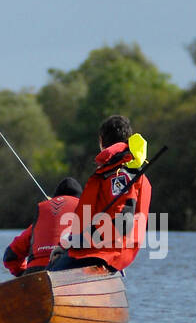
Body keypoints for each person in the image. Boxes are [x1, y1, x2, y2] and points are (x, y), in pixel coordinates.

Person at [49, 115, 151, 273]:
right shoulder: (133, 174)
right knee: (57, 264)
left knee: (47, 275)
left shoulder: (118, 173)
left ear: (101, 141)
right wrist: (66, 245)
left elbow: (123, 221)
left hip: (101, 252)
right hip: (106, 252)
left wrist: (82, 240)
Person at [3, 177, 82, 277]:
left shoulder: (38, 223)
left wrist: (23, 274)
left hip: (35, 274)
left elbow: (10, 257)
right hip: (69, 272)